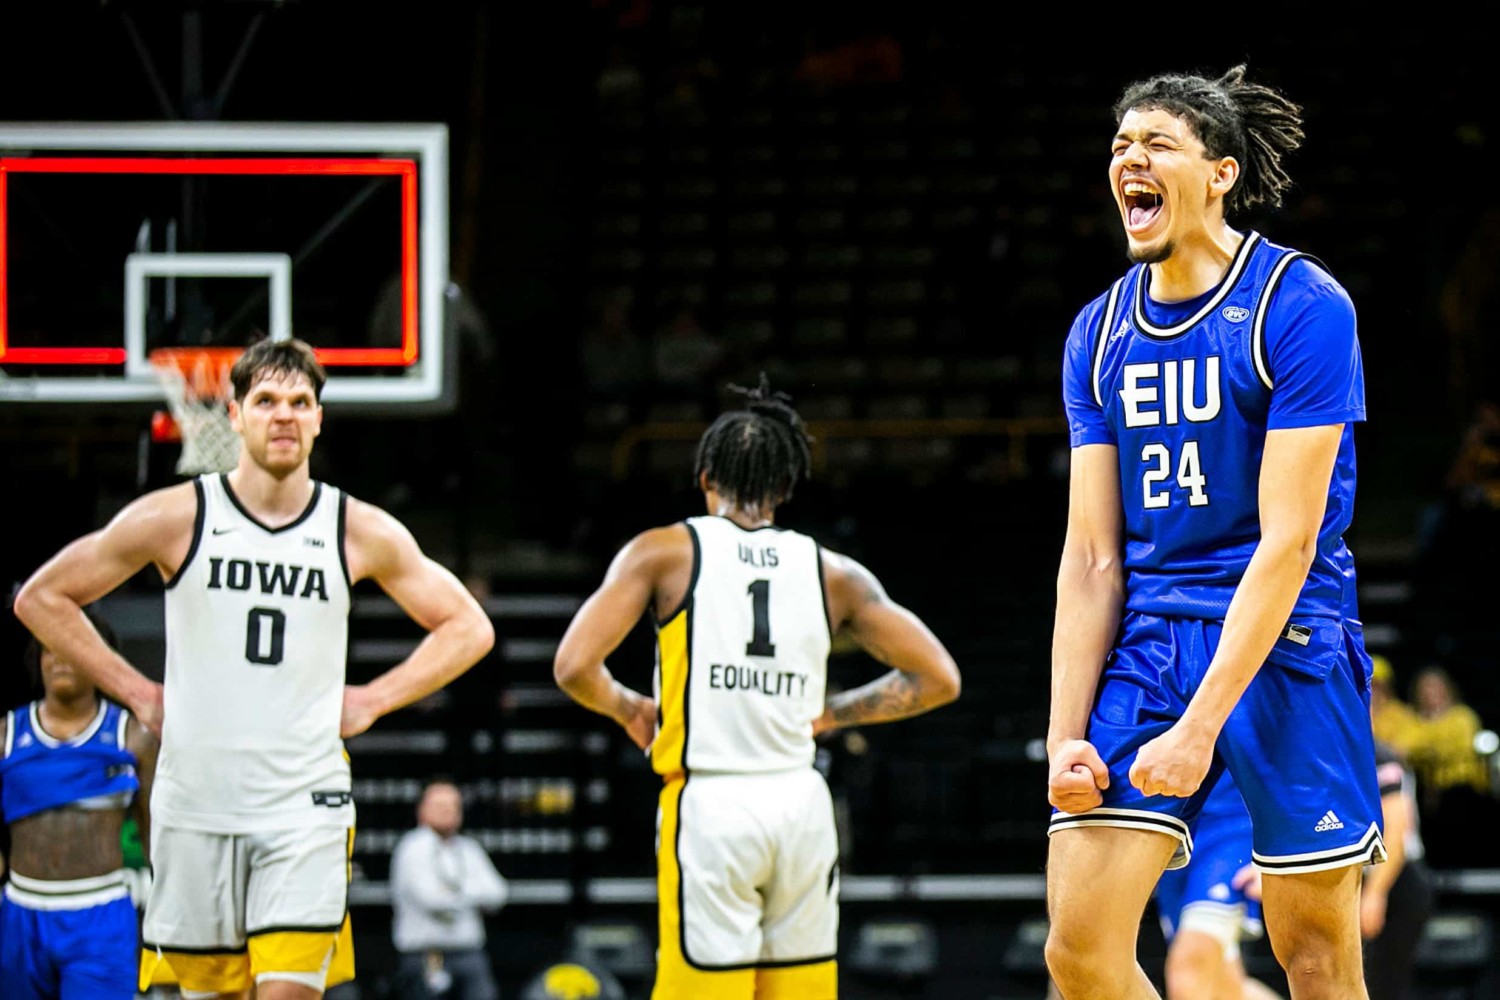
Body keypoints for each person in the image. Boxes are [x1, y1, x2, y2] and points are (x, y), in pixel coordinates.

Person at [12, 337, 496, 999]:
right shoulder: (176, 516)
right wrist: (134, 692)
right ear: (233, 415)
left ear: (319, 419)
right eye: (266, 401)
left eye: (301, 402)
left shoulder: (355, 527)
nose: (285, 415)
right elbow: (41, 597)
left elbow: (469, 626)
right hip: (195, 805)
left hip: (305, 805)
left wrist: (374, 699)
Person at [1044, 65, 1385, 1000]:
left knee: (1314, 955)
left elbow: (1290, 541)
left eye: (1155, 142)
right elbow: (1089, 555)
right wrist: (1063, 733)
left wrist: (1200, 729)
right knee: (1077, 951)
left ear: (1221, 171)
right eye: (1119, 146)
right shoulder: (1099, 331)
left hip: (1286, 640)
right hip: (1152, 644)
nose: (1129, 159)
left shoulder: (1302, 305)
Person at [553, 376, 961, 1000]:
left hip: (713, 803)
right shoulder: (833, 572)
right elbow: (939, 677)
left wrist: (628, 706)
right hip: (800, 804)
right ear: (784, 486)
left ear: (706, 477)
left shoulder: (664, 552)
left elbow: (574, 665)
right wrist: (833, 715)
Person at [0, 605, 158, 999]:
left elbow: (155, 830)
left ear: (100, 659)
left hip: (100, 914)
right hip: (19, 911)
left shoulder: (132, 735)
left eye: (74, 647)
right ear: (37, 658)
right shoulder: (5, 733)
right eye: (50, 648)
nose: (62, 659)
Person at [1153, 771, 1281, 1000]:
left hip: (1234, 828)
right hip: (1169, 826)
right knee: (1224, 985)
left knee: (1188, 968)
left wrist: (1277, 851)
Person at [389, 777, 508, 1000]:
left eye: (453, 806)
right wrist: (472, 894)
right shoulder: (412, 848)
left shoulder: (468, 848)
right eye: (439, 806)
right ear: (421, 810)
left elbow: (498, 894)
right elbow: (433, 900)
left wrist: (455, 892)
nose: (447, 811)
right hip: (425, 956)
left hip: (470, 955)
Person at [1361, 739, 1432, 1000]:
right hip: (1367, 879)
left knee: (1382, 986)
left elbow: (1397, 831)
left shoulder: (1379, 754)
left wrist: (1375, 893)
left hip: (1396, 879)